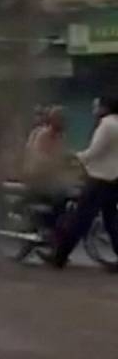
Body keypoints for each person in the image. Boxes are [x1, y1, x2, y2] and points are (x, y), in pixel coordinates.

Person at [50, 96, 118, 269]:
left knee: (80, 219)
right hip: (113, 179)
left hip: (100, 179)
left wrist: (75, 158)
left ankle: (59, 256)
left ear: (104, 107)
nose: (93, 109)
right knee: (111, 221)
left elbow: (94, 152)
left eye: (96, 106)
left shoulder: (107, 125)